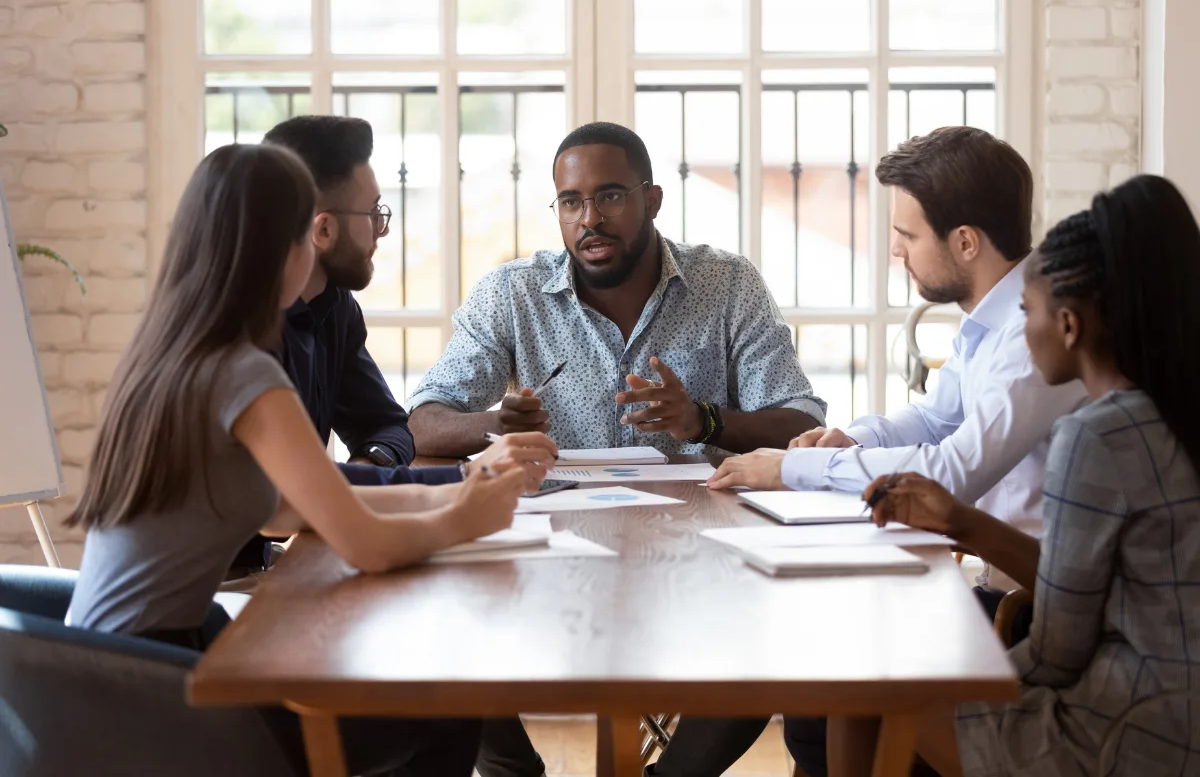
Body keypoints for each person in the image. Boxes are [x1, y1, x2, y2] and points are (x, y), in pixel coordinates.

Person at [65, 143, 531, 776]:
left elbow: (287, 509)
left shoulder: (169, 354)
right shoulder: (246, 375)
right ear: (282, 251)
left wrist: (452, 489)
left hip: (98, 671)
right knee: (444, 711)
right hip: (153, 693)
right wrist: (466, 519)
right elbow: (364, 545)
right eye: (303, 242)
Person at [650, 127, 1088, 777]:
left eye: (907, 235)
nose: (895, 252)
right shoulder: (991, 324)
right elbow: (938, 417)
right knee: (804, 645)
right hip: (994, 588)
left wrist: (791, 467)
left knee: (813, 646)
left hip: (1022, 612)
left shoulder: (1031, 334)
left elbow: (954, 471)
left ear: (964, 242)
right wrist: (852, 439)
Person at [830, 174, 1200, 776]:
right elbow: (1107, 593)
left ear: (1071, 326)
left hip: (1123, 735)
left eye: (1026, 312)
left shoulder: (1097, 436)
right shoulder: (1171, 413)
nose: (1020, 332)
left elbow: (1058, 651)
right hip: (1179, 715)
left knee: (860, 678)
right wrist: (962, 522)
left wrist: (973, 670)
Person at [225, 115, 557, 581]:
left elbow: (307, 493)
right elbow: (316, 515)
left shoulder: (323, 313)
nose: (382, 232)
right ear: (318, 232)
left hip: (230, 586)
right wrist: (463, 492)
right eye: (374, 213)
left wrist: (451, 484)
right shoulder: (244, 359)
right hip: (196, 617)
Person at [408, 121, 827, 458]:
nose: (590, 219)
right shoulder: (513, 293)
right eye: (571, 202)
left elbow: (803, 425)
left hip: (695, 524)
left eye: (610, 197)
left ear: (653, 201)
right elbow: (421, 424)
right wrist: (497, 426)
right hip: (559, 525)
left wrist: (703, 421)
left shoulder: (728, 283)